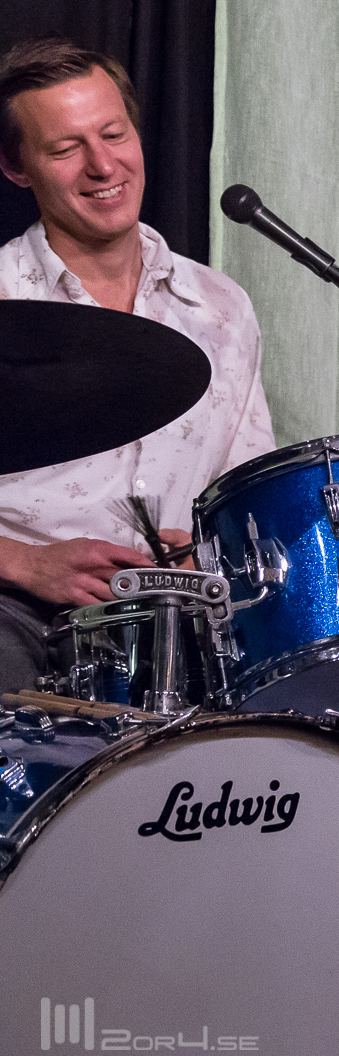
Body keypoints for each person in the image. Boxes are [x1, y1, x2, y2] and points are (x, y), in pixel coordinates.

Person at [0, 35, 273, 693]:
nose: (102, 165)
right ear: (16, 166)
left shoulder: (221, 307)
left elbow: (245, 489)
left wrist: (209, 550)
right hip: (20, 613)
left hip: (180, 613)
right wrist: (27, 564)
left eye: (113, 134)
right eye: (65, 149)